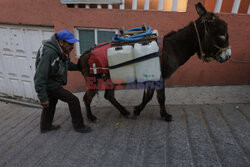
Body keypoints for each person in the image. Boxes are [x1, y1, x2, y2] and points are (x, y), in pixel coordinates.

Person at [34, 30, 91, 133]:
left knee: (50, 103)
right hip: (50, 84)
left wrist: (80, 67)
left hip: (54, 81)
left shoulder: (61, 50)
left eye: (73, 43)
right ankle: (79, 126)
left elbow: (66, 64)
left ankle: (45, 126)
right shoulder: (50, 53)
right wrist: (42, 97)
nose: (72, 46)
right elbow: (39, 77)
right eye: (70, 43)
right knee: (73, 100)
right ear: (61, 42)